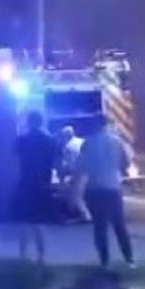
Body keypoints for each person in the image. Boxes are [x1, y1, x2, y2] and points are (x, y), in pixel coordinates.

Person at [75, 114, 135, 269]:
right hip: (113, 187)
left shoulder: (87, 143)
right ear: (107, 125)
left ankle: (104, 261)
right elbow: (126, 163)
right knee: (119, 225)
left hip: (95, 188)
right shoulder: (117, 142)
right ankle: (129, 259)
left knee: (100, 227)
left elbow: (81, 167)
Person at [13, 111, 56, 262]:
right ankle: (41, 255)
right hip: (43, 183)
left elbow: (16, 155)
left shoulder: (22, 140)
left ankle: (23, 255)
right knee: (40, 222)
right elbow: (55, 160)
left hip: (26, 182)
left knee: (24, 221)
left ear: (29, 122)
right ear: (41, 122)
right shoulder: (49, 140)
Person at [58, 125, 89, 221]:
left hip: (79, 173)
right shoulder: (82, 141)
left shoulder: (68, 147)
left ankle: (85, 215)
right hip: (91, 172)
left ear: (66, 136)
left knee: (76, 195)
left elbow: (70, 164)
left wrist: (62, 176)